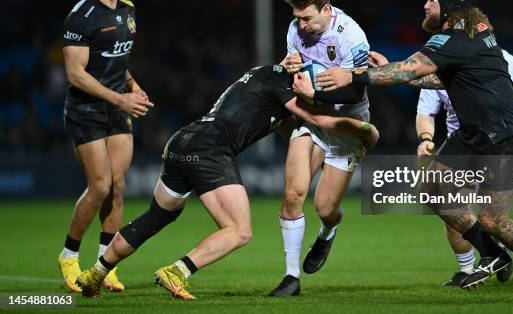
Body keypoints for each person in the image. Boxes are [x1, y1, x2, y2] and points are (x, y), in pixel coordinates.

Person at [316, 0, 513, 293]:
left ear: (447, 5)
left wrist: (353, 75)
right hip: (474, 133)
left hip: (506, 136)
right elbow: (437, 80)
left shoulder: (452, 40)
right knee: (434, 188)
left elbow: (408, 70)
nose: (425, 5)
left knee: (491, 219)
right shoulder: (468, 35)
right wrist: (396, 72)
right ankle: (493, 254)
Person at [76, 65, 379, 300]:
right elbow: (321, 121)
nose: (316, 93)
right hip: (211, 149)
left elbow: (291, 129)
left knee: (157, 215)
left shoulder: (264, 80)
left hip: (184, 140)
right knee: (239, 230)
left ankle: (95, 273)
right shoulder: (282, 83)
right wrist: (366, 130)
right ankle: (177, 271)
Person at [370, 49, 513, 286]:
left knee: (492, 220)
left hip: (505, 136)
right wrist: (426, 137)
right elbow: (424, 110)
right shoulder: (438, 63)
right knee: (439, 196)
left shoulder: (499, 58)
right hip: (466, 139)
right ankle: (480, 262)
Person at [268, 0, 372, 297]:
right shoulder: (294, 31)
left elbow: (356, 92)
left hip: (346, 125)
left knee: (325, 207)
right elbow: (294, 74)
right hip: (312, 119)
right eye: (297, 17)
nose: (301, 25)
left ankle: (328, 231)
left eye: (307, 18)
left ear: (326, 10)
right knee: (292, 195)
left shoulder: (352, 36)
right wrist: (287, 72)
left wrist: (317, 95)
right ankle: (290, 277)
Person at [59, 0, 154, 293]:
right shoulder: (80, 18)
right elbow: (75, 74)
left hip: (117, 107)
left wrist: (133, 85)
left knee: (117, 186)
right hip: (86, 111)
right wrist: (120, 98)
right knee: (99, 186)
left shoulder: (127, 10)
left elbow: (115, 60)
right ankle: (69, 256)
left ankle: (104, 266)